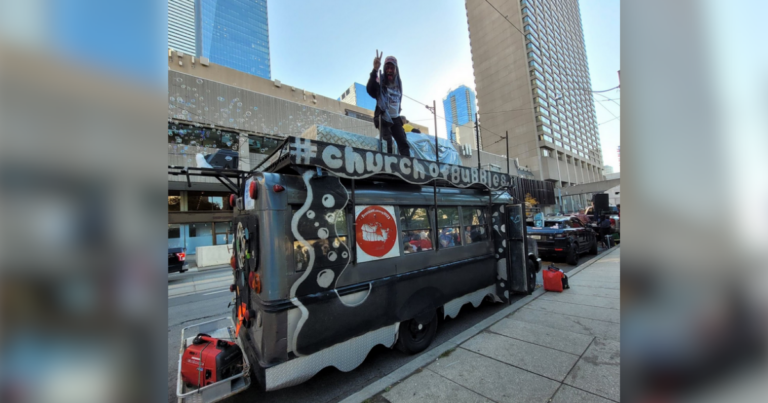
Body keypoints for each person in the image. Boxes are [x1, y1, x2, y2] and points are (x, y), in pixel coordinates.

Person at [367, 50, 411, 157]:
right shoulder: (380, 81)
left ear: (396, 69)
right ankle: (389, 167)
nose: (389, 70)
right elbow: (370, 89)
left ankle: (407, 166)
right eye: (387, 68)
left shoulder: (398, 83)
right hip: (384, 116)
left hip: (395, 118)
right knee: (388, 143)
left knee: (403, 143)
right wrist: (375, 69)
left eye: (392, 68)